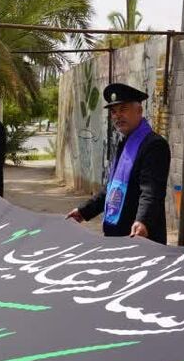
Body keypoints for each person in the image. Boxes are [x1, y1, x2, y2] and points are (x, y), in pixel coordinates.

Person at [67, 83, 170, 244]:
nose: (117, 116)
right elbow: (112, 188)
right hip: (116, 236)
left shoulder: (154, 145)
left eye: (123, 109)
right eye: (114, 112)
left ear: (139, 111)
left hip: (140, 236)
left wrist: (143, 221)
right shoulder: (124, 143)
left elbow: (151, 192)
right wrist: (83, 211)